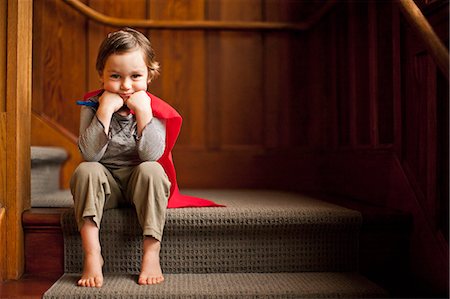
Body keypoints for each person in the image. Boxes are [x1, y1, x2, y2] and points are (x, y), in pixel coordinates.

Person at [71, 28, 221, 288]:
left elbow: (152, 155)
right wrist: (104, 111)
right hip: (106, 189)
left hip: (140, 184)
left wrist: (144, 114)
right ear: (101, 75)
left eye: (136, 76)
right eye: (115, 76)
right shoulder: (93, 105)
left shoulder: (154, 109)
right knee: (86, 169)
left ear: (150, 75)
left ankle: (151, 252)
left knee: (151, 169)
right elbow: (90, 153)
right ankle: (92, 254)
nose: (126, 86)